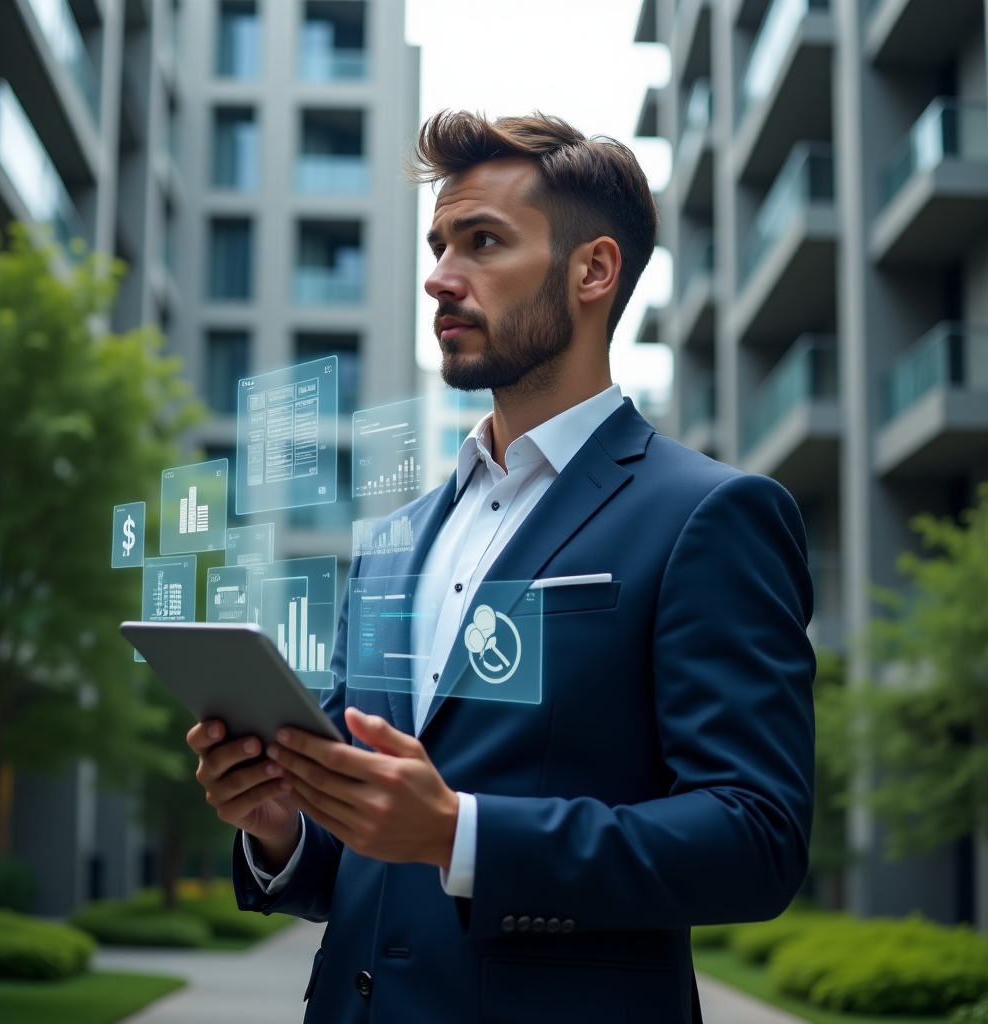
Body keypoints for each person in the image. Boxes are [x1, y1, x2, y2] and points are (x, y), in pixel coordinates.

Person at [188, 111, 815, 1024]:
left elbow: (756, 839)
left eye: (482, 242)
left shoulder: (708, 516)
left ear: (593, 270)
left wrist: (462, 834)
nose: (440, 278)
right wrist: (280, 825)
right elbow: (364, 860)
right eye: (439, 244)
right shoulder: (391, 542)